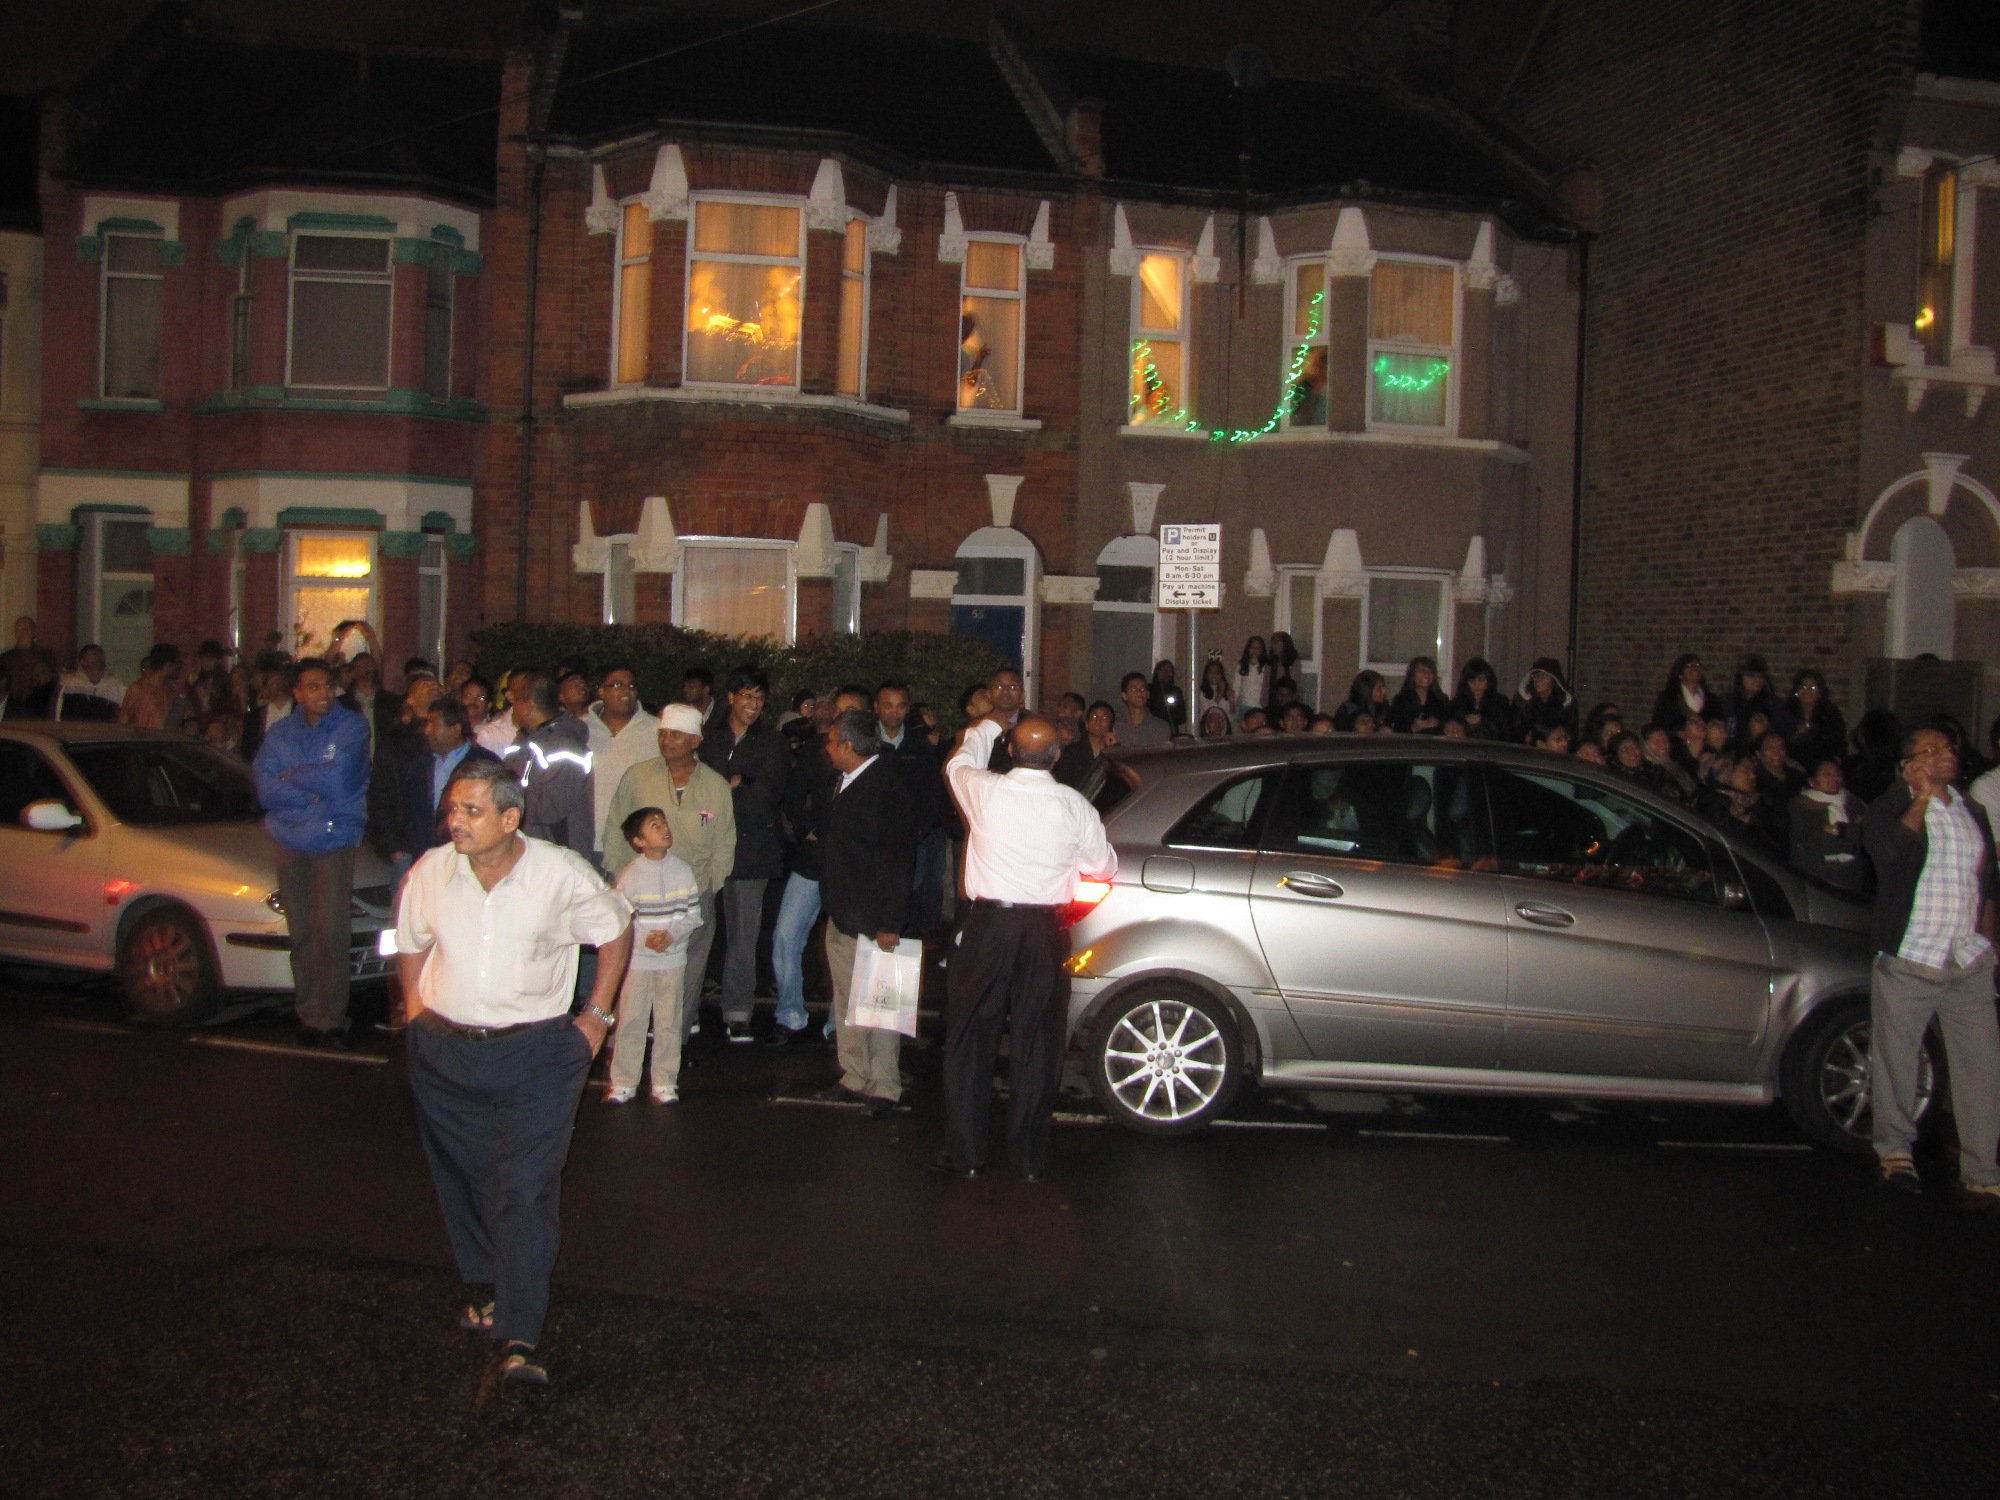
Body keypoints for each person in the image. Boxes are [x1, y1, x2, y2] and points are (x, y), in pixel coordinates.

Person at [395, 758, 635, 1392]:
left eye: (472, 811)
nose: (457, 822)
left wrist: (597, 1017)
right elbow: (412, 937)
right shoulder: (432, 871)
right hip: (444, 1051)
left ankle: (519, 1337)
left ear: (510, 818)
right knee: (464, 1177)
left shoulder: (557, 873)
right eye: (453, 809)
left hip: (534, 1055)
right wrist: (417, 1011)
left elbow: (615, 930)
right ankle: (495, 1288)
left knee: (524, 1186)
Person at [939, 695, 1117, 1181]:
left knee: (973, 1035)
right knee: (1037, 1043)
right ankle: (1029, 1159)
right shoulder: (1075, 806)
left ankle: (968, 1154)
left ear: (1012, 754)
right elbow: (1104, 866)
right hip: (1045, 931)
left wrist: (984, 727)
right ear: (1057, 756)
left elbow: (958, 762)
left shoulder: (985, 790)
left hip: (988, 927)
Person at [1860, 726, 2000, 1213]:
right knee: (1899, 1064)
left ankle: (1983, 1171)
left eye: (1947, 748)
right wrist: (1915, 796)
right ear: (1909, 763)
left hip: (1965, 959)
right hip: (1912, 958)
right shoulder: (1888, 808)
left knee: (1981, 1068)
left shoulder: (1971, 810)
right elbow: (1891, 853)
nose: (1946, 755)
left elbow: (1986, 884)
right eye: (1931, 750)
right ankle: (1896, 1152)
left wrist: (1990, 946)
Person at [603, 704, 736, 1057]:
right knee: (634, 965)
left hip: (693, 892)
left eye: (676, 734)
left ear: (695, 739)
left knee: (688, 973)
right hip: (641, 895)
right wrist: (621, 877)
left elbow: (725, 839)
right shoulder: (638, 776)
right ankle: (626, 1045)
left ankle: (671, 1047)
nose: (667, 740)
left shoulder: (714, 786)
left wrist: (712, 883)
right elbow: (618, 827)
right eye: (663, 733)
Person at [251, 658, 371, 1047]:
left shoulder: (352, 727)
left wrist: (295, 775)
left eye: (327, 685)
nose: (323, 693)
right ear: (298, 693)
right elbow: (265, 786)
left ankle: (331, 1016)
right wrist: (309, 789)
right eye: (313, 687)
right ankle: (308, 1013)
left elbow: (341, 778)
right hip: (290, 838)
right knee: (301, 929)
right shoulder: (282, 732)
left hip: (335, 838)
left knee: (331, 930)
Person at [817, 708, 919, 1116]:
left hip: (874, 921)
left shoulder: (887, 789)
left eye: (830, 741)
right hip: (844, 914)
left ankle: (884, 1086)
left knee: (881, 1002)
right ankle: (854, 1074)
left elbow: (897, 861)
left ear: (848, 745)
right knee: (847, 1001)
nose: (826, 748)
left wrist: (890, 923)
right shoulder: (845, 780)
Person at [771, 685, 871, 1045]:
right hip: (813, 860)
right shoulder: (818, 751)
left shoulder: (877, 761)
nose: (840, 717)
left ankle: (837, 1024)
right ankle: (789, 1011)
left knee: (844, 947)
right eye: (838, 710)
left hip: (850, 867)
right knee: (786, 935)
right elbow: (792, 796)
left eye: (851, 711)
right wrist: (807, 829)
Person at [700, 666, 791, 1043]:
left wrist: (730, 787)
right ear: (731, 698)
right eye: (747, 696)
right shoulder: (708, 738)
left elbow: (766, 797)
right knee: (698, 931)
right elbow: (695, 788)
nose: (753, 704)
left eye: (759, 698)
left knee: (743, 934)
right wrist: (735, 783)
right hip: (704, 848)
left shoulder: (772, 743)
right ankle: (684, 1011)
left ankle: (738, 1010)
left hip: (751, 851)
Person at [607, 807, 704, 1104]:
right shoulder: (631, 875)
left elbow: (693, 915)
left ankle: (664, 1081)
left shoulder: (683, 871)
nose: (664, 828)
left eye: (663, 822)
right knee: (631, 1019)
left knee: (668, 1021)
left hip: (672, 960)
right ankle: (623, 1081)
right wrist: (642, 940)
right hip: (638, 961)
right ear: (639, 841)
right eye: (653, 825)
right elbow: (620, 920)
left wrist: (670, 935)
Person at [497, 671, 596, 860]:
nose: (512, 708)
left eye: (516, 701)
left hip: (557, 859)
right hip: (524, 854)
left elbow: (549, 808)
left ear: (529, 704)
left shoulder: (566, 746)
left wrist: (503, 800)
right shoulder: (523, 741)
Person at [877, 681, 945, 934]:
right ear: (877, 707)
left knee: (915, 888)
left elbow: (931, 789)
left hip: (913, 834)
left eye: (900, 706)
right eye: (887, 706)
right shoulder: (868, 742)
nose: (893, 712)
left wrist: (920, 829)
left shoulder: (919, 744)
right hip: (877, 833)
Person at [406, 696, 499, 858]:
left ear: (455, 728)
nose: (427, 730)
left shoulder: (484, 763)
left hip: (468, 855)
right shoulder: (421, 763)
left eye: (434, 723)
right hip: (425, 856)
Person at [583, 663, 659, 861]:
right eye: (618, 685)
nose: (627, 690)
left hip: (635, 843)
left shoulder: (656, 730)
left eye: (632, 686)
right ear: (601, 691)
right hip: (589, 840)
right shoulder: (581, 729)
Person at [1789, 758, 1865, 893]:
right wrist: (1849, 833)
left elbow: (1864, 834)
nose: (1834, 778)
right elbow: (1815, 844)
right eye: (1827, 774)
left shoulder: (1853, 802)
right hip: (1818, 877)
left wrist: (1838, 830)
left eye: (1837, 774)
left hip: (1852, 875)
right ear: (1812, 781)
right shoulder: (1800, 806)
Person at [1725, 653, 1793, 746]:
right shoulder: (1727, 703)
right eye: (1751, 676)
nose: (1757, 680)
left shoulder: (1774, 705)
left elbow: (1786, 732)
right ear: (1740, 678)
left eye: (1761, 676)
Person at [1786, 669, 1845, 773]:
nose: (1807, 691)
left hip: (1821, 765)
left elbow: (1838, 744)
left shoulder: (1830, 714)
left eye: (1812, 688)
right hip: (1793, 765)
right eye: (1803, 687)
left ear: (1820, 693)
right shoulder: (1787, 711)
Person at [0, 616, 59, 718]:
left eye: (26, 629)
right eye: (18, 629)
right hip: (11, 708)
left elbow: (53, 681)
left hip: (38, 707)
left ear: (34, 632)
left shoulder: (45, 655)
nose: (22, 632)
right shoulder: (5, 658)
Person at [118, 645, 182, 730]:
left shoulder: (172, 690)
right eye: (177, 662)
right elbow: (123, 722)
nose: (180, 667)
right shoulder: (137, 689)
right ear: (168, 664)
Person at [1514, 657, 1576, 745]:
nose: (1538, 680)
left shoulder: (1566, 705)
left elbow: (1570, 733)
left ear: (1554, 680)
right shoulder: (1523, 702)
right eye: (1536, 676)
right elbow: (1517, 730)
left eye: (1544, 676)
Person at [1447, 658, 1510, 740]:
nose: (1476, 685)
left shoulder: (1500, 703)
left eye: (1481, 680)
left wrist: (1483, 721)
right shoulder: (1455, 705)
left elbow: (1505, 735)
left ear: (1488, 681)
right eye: (1472, 681)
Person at [57, 643, 124, 719]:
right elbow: (59, 710)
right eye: (93, 654)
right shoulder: (69, 682)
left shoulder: (115, 683)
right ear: (82, 661)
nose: (97, 657)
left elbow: (122, 712)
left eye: (100, 654)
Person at [242, 665, 293, 760]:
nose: (277, 685)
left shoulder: (302, 711)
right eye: (272, 683)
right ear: (265, 689)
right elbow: (247, 750)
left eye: (279, 682)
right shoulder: (254, 717)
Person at [1650, 653, 1710, 734]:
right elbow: (1659, 726)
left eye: (1698, 665)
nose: (1695, 668)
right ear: (1680, 674)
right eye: (1689, 665)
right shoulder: (1668, 698)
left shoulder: (1711, 699)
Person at [1388, 657, 1449, 734]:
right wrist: (1414, 727)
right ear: (1412, 675)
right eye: (1422, 671)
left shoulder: (1441, 700)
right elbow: (1396, 729)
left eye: (1430, 671)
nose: (1427, 674)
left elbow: (1448, 725)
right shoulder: (1401, 700)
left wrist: (1438, 724)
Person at [1115, 671, 1171, 749]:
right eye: (1134, 689)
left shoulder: (1161, 727)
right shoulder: (1115, 725)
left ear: (1148, 694)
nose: (1139, 692)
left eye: (1142, 688)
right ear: (1124, 696)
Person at [1147, 659, 1187, 736]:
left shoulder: (1176, 691)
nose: (1166, 673)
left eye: (1169, 670)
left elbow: (1182, 717)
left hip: (1170, 731)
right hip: (1152, 730)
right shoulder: (1149, 689)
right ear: (1157, 672)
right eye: (1163, 669)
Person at [1235, 636, 1272, 716]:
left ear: (1262, 650)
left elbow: (1265, 685)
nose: (1255, 650)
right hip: (1244, 703)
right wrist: (1234, 700)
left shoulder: (1265, 667)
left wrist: (1256, 666)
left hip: (1259, 705)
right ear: (1248, 649)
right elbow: (1237, 684)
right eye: (1252, 647)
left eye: (1258, 648)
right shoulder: (1242, 665)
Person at [1194, 655, 1234, 728]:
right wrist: (1220, 693)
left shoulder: (1227, 690)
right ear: (1206, 675)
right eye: (1211, 672)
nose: (1214, 675)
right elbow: (1208, 710)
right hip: (1207, 727)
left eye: (1217, 672)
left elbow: (1231, 715)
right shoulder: (1201, 691)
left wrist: (1232, 703)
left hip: (1223, 727)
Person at [681, 664, 720, 731]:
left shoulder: (722, 713)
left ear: (706, 689)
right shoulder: (682, 713)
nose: (685, 689)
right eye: (685, 685)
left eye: (691, 686)